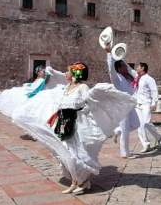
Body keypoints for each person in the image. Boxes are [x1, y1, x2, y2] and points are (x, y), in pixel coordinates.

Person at [12, 62, 136, 194]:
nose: (66, 74)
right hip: (63, 123)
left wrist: (78, 110)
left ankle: (82, 181)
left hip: (77, 126)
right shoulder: (67, 87)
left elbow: (90, 106)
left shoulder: (83, 87)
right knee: (64, 152)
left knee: (75, 153)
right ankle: (75, 181)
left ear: (76, 74)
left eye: (69, 71)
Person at [104, 43, 140, 158]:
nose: (126, 67)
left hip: (130, 104)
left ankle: (117, 131)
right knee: (125, 130)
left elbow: (134, 73)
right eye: (123, 66)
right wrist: (109, 54)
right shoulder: (117, 79)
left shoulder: (128, 77)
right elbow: (111, 70)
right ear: (119, 68)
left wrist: (120, 56)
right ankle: (125, 153)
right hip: (121, 106)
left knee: (136, 124)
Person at [133, 62, 161, 153]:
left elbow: (154, 91)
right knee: (140, 125)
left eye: (138, 67)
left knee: (146, 122)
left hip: (146, 103)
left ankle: (158, 137)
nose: (136, 68)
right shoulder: (137, 78)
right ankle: (146, 144)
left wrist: (154, 103)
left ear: (143, 68)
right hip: (138, 104)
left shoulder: (149, 79)